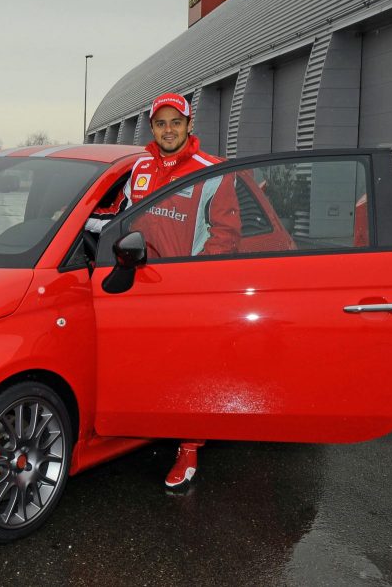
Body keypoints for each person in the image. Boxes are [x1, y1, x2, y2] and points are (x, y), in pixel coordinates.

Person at [87, 92, 241, 490]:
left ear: (190, 125)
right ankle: (145, 425)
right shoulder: (139, 165)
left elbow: (226, 234)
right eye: (161, 123)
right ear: (152, 127)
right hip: (139, 284)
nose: (168, 129)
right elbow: (117, 214)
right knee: (149, 364)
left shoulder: (211, 170)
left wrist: (191, 279)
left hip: (186, 289)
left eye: (176, 122)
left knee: (188, 371)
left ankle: (188, 449)